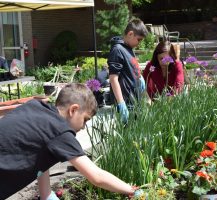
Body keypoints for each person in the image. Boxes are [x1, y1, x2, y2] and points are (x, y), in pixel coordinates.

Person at [0, 83, 138, 200]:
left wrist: (46, 194)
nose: (84, 127)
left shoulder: (36, 106)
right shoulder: (60, 132)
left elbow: (40, 154)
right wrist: (131, 190)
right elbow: (97, 177)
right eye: (85, 119)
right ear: (73, 110)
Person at [108, 18, 148, 122]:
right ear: (130, 34)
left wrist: (141, 77)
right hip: (126, 102)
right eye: (139, 39)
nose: (139, 43)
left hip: (134, 99)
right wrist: (121, 103)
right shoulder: (117, 50)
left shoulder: (128, 49)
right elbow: (113, 78)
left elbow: (133, 68)